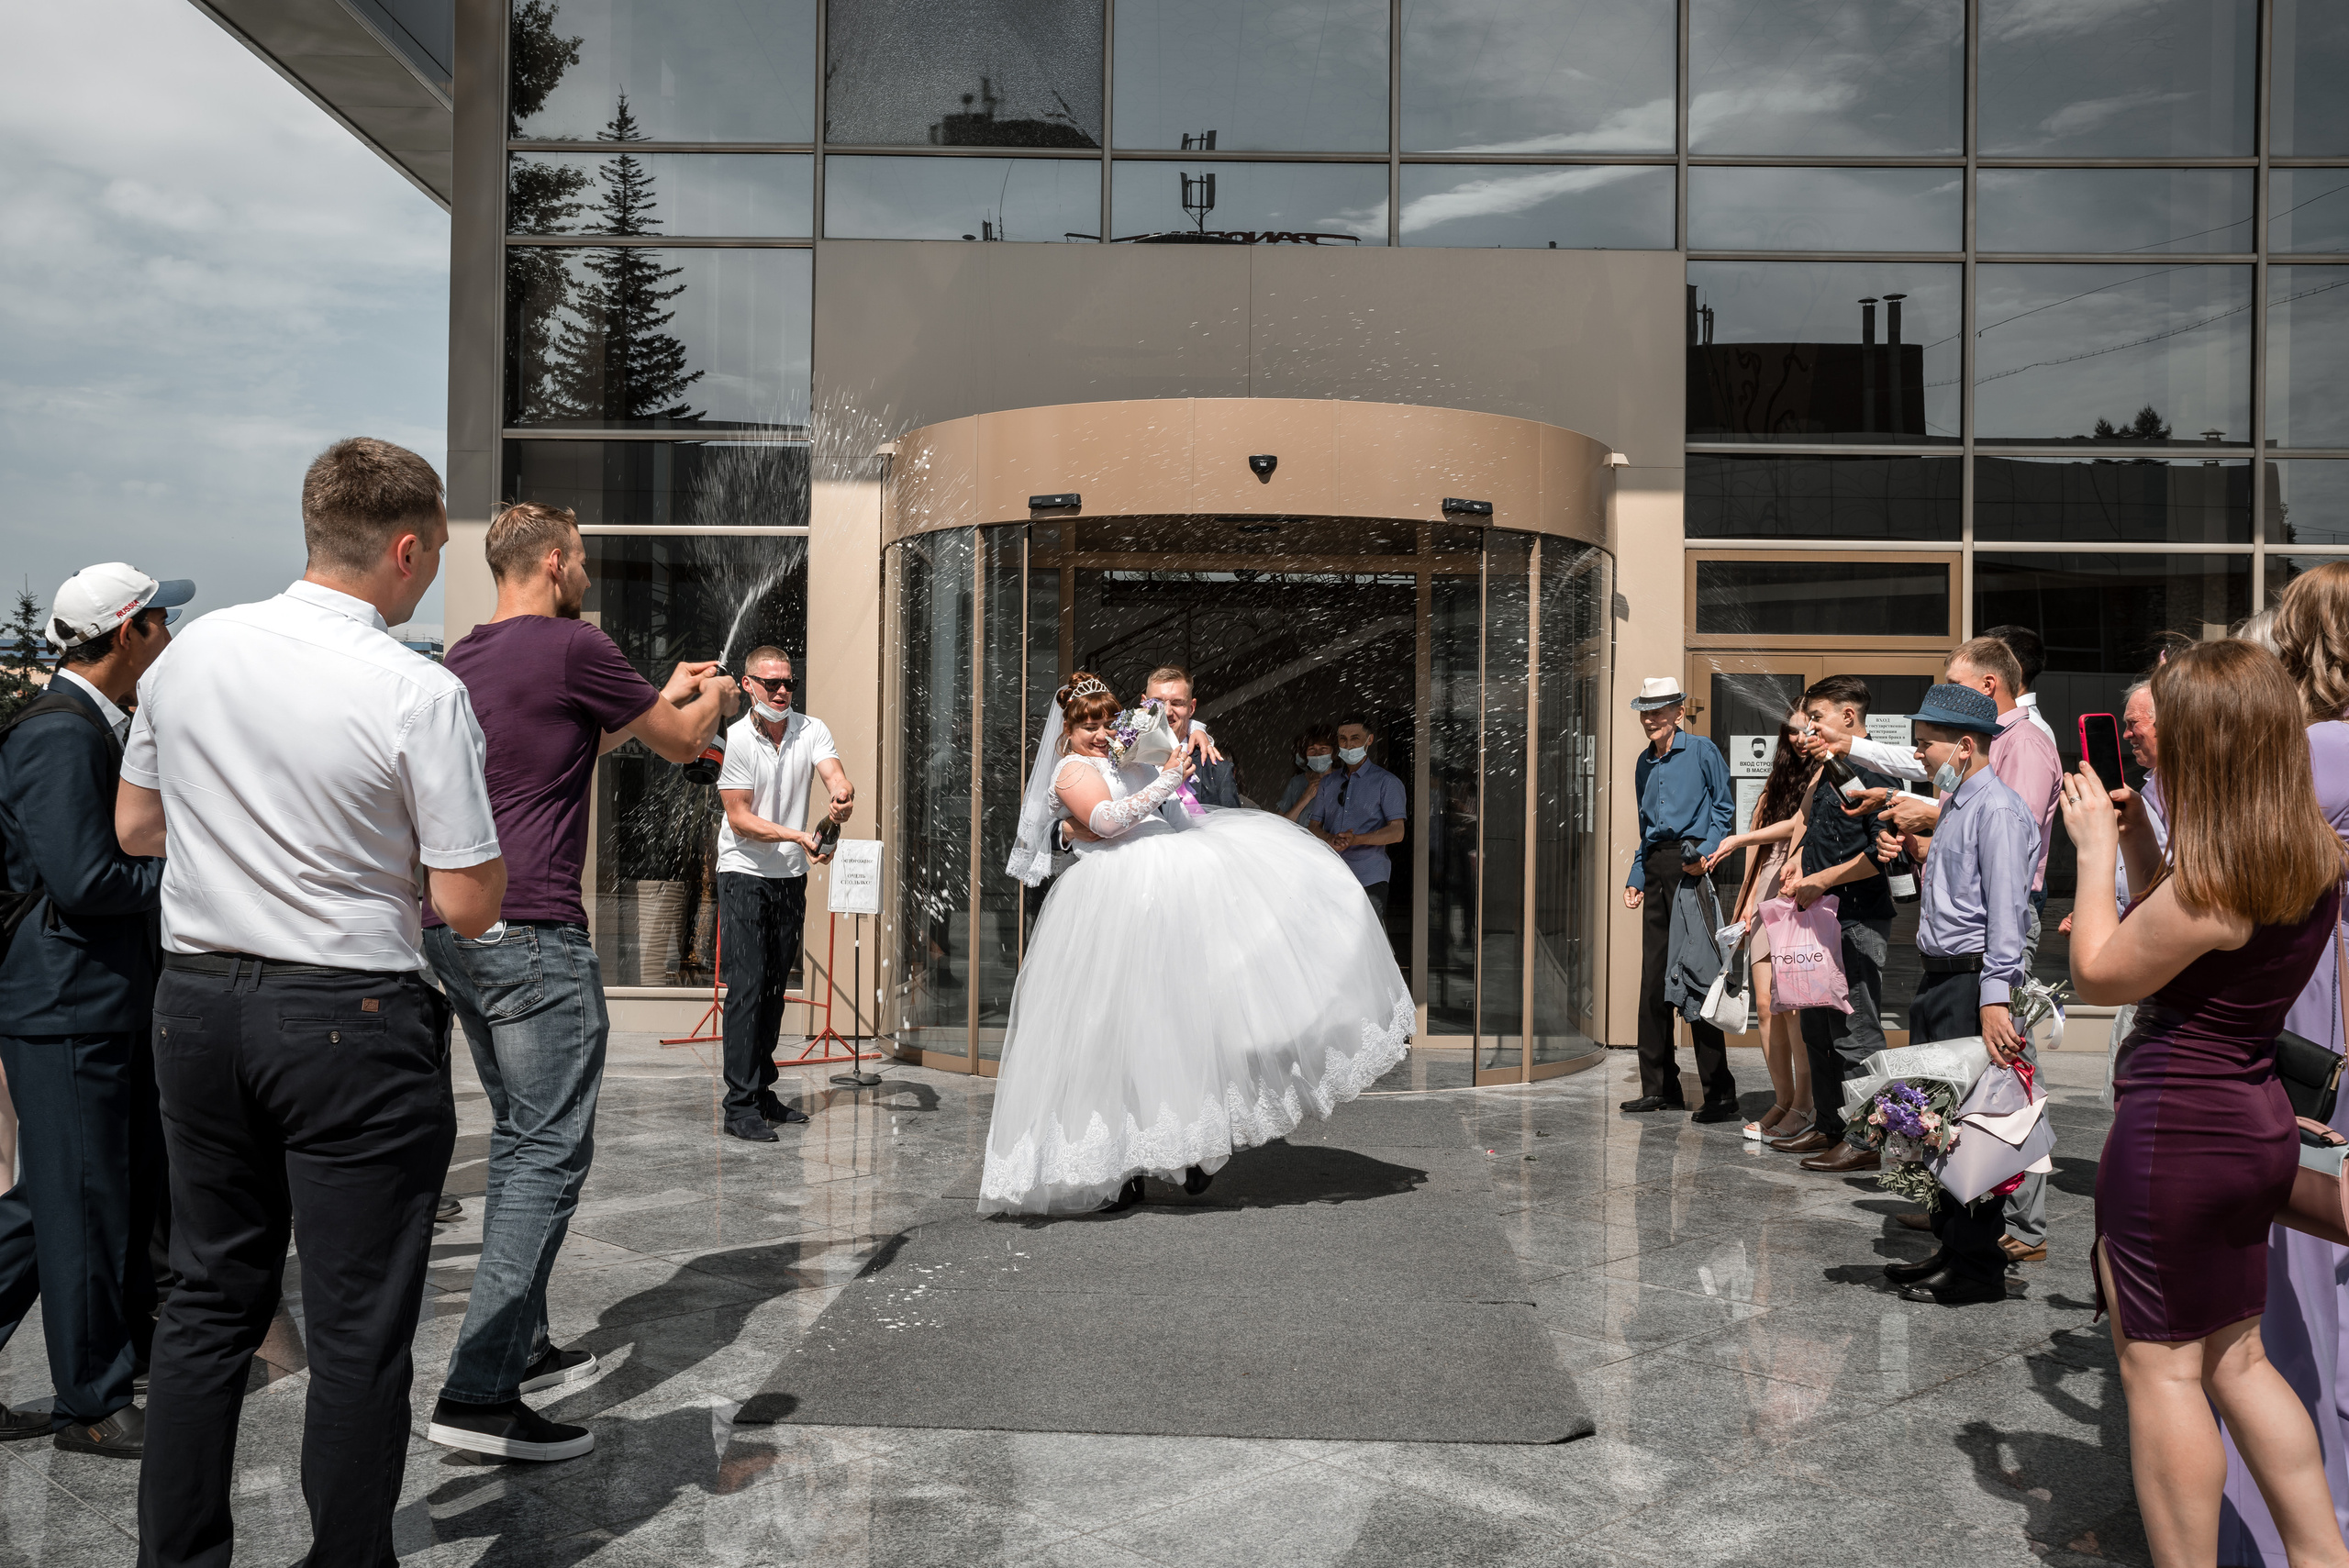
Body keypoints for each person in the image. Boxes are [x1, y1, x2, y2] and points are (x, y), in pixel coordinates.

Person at [123, 438, 508, 1566]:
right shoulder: (417, 688)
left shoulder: (190, 656)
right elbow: (468, 902)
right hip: (348, 1016)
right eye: (436, 553)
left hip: (197, 1003)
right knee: (355, 1326)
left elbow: (135, 828)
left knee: (207, 1300)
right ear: (405, 548)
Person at [421, 502, 735, 1463]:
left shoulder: (464, 659)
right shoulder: (575, 644)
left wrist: (655, 695)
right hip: (536, 934)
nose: (589, 573)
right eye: (584, 558)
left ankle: (522, 1342)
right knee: (545, 1154)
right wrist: (711, 700)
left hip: (457, 931)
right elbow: (679, 743)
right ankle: (479, 1392)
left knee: (520, 1139)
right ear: (554, 562)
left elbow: (568, 743)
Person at [2065, 638, 2349, 1568]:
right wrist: (2137, 838)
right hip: (2250, 1118)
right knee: (2238, 1358)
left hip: (2175, 1136)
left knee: (2161, 1371)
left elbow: (2101, 971)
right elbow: (2181, 927)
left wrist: (2091, 850)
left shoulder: (2214, 884)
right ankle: (2322, 1553)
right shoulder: (2310, 859)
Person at [983, 673, 1411, 1215]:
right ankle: (1118, 1165)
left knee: (1174, 1026)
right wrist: (1158, 783)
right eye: (1086, 725)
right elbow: (1106, 820)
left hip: (1165, 892)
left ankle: (1184, 1147)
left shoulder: (1124, 754)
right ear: (1066, 730)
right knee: (1113, 1033)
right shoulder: (1072, 770)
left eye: (1104, 722)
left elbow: (1167, 748)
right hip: (1114, 902)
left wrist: (1188, 747)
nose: (1098, 732)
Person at [0, 563, 191, 1457]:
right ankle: (91, 1404)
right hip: (68, 1002)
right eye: (161, 619)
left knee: (58, 1200)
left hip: (91, 998)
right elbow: (84, 880)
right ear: (126, 634)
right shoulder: (59, 733)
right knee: (79, 1201)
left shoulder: (92, 722)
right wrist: (191, 871)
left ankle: (107, 1371)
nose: (170, 634)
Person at [2221, 560, 2349, 1560]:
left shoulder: (2312, 756)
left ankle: (2289, 1521)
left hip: (2309, 1016)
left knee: (2294, 1268)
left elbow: (2220, 894)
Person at [1874, 684, 2040, 1307]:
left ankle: (1977, 1267)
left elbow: (2007, 915)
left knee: (1970, 1128)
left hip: (1971, 983)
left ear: (1965, 746)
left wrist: (1995, 998)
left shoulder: (1996, 809)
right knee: (1937, 1123)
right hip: (1942, 978)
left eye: (1927, 744)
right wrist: (1913, 855)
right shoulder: (1959, 805)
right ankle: (1953, 1248)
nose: (1919, 754)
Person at [715, 647, 854, 1144]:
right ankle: (738, 1106)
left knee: (774, 987)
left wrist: (842, 797)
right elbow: (739, 819)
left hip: (789, 877)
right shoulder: (734, 739)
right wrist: (798, 836)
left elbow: (835, 774)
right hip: (744, 872)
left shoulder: (810, 729)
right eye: (770, 683)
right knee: (748, 986)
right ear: (747, 685)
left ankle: (762, 1091)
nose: (781, 691)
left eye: (788, 683)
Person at [1770, 675, 1897, 1166]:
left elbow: (1880, 855)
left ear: (1848, 716)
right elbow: (1815, 828)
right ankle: (1829, 1127)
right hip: (1820, 918)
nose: (1808, 728)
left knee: (1854, 1032)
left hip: (1855, 918)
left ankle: (1866, 1141)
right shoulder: (1828, 767)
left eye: (1816, 717)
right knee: (1818, 1032)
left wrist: (1820, 880)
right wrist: (1798, 862)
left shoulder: (1874, 768)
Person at [1621, 677, 1738, 1121]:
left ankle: (1720, 1095)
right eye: (1645, 712)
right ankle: (1659, 1088)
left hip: (1693, 867)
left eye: (1658, 711)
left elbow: (1724, 810)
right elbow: (1645, 829)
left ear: (1678, 712)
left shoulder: (1703, 750)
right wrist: (1637, 875)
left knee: (1698, 975)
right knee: (1653, 982)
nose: (1650, 719)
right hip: (1656, 869)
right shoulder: (1643, 763)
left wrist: (1706, 854)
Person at [1703, 713, 1816, 1141]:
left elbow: (1795, 826)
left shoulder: (1825, 774)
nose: (1801, 737)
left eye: (1809, 728)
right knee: (1766, 1005)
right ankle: (1783, 1100)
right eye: (1793, 729)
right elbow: (1763, 852)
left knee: (1794, 1008)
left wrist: (1737, 839)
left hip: (1802, 891)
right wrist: (1747, 903)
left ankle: (1805, 1104)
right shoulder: (1777, 780)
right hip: (1768, 890)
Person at [1302, 715, 1407, 916]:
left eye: (1355, 738)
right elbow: (1314, 826)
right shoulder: (1328, 783)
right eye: (1343, 739)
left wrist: (1356, 839)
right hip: (1331, 872)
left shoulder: (1387, 782)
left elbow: (1397, 832)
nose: (1348, 745)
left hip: (1370, 876)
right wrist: (1329, 838)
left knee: (1367, 933)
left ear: (1369, 740)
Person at [1143, 666, 1240, 808]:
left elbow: (1232, 821)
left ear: (1191, 708)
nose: (1167, 712)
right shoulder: (1127, 762)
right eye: (1158, 702)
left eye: (1177, 703)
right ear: (1144, 703)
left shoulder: (1218, 770)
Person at [1979, 624, 2058, 751]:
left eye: (1984, 660)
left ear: (2014, 670)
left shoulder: (2030, 731)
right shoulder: (1994, 717)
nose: (1975, 668)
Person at [1277, 725, 1337, 821]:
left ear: (1333, 752)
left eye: (1323, 748)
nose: (1317, 754)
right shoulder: (1296, 783)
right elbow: (1281, 823)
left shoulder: (1345, 781)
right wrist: (1305, 798)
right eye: (1312, 749)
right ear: (1305, 754)